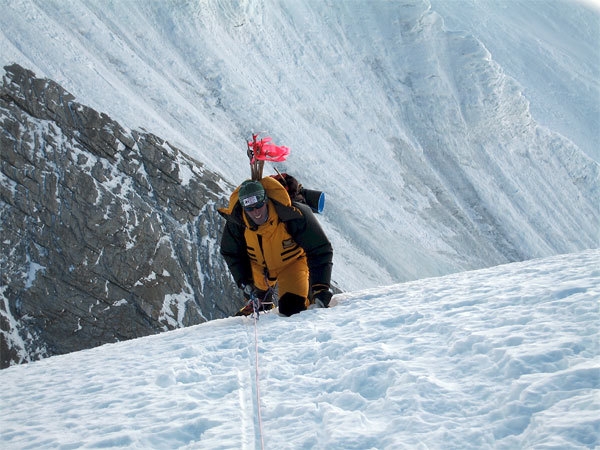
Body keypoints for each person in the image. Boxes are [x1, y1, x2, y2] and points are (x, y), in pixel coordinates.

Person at [218, 177, 333, 316]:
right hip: (259, 268)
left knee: (293, 309)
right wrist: (244, 281)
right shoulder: (237, 222)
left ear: (266, 200)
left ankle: (306, 295)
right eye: (249, 208)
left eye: (259, 205)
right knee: (256, 297)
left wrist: (320, 288)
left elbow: (319, 248)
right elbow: (231, 252)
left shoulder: (292, 214)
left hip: (292, 263)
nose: (256, 212)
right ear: (243, 208)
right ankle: (261, 301)